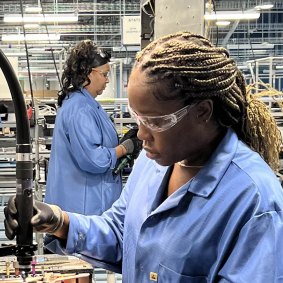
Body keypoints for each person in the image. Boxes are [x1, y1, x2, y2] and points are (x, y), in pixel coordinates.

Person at [5, 31, 283, 282]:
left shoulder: (254, 201)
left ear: (203, 112)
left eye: (154, 121)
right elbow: (120, 232)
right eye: (138, 119)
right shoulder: (153, 164)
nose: (140, 135)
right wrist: (59, 221)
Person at [44, 39, 141, 215]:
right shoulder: (80, 109)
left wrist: (121, 144)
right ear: (89, 73)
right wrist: (124, 148)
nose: (107, 80)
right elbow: (93, 159)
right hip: (83, 209)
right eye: (104, 75)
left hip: (88, 204)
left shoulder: (86, 104)